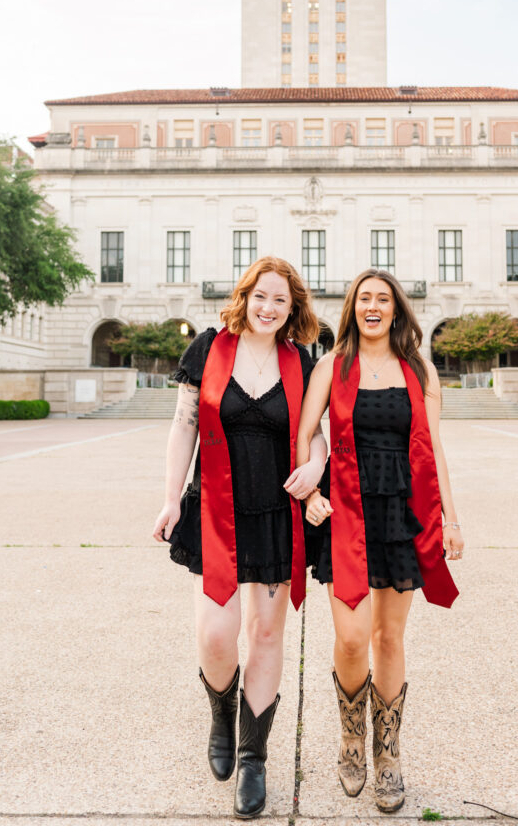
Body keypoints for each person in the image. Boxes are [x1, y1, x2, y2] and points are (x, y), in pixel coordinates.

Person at [152, 257, 325, 820]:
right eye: (261, 296)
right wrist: (171, 497)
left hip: (276, 510)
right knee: (217, 634)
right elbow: (184, 426)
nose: (269, 307)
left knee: (267, 631)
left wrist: (316, 468)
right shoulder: (209, 348)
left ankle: (253, 757)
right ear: (244, 296)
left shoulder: (301, 358)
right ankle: (221, 711)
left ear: (292, 308)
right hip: (217, 510)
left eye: (281, 300)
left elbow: (317, 435)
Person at [295, 269, 463, 813]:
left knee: (389, 639)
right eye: (364, 298)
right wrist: (309, 493)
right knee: (350, 639)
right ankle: (351, 738)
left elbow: (435, 449)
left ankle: (387, 754)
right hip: (344, 510)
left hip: (401, 513)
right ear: (352, 308)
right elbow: (304, 438)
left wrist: (452, 520)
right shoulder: (331, 366)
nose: (373, 306)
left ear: (396, 309)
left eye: (382, 299)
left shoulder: (419, 369)